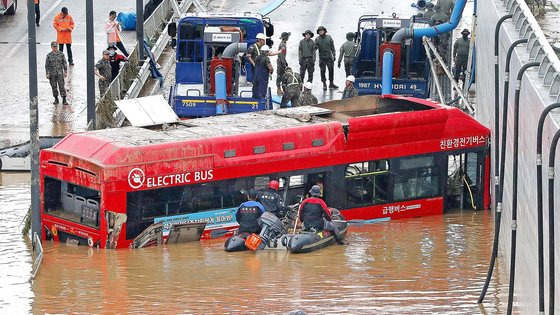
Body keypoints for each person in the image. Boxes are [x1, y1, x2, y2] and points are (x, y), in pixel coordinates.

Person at [315, 26, 338, 90]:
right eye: (319, 31)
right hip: (322, 57)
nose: (320, 32)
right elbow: (314, 48)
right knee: (322, 71)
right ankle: (324, 84)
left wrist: (334, 55)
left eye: (321, 30)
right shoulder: (317, 39)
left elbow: (332, 47)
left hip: (329, 57)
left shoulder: (329, 38)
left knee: (331, 70)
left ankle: (331, 83)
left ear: (324, 31)